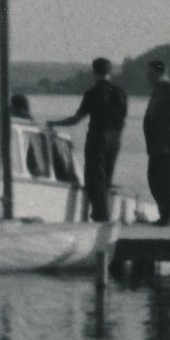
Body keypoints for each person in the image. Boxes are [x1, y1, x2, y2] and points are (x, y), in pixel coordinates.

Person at [49, 57, 128, 221]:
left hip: (98, 136)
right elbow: (123, 117)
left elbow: (77, 119)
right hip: (115, 137)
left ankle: (100, 214)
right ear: (110, 72)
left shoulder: (92, 93)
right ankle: (102, 211)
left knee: (94, 177)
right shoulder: (121, 92)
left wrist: (54, 123)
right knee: (107, 176)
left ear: (94, 72)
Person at [142, 60, 170, 225]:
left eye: (150, 74)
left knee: (166, 181)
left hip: (168, 144)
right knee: (154, 180)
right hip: (155, 145)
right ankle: (164, 214)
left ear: (161, 73)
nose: (148, 77)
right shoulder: (157, 91)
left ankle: (168, 216)